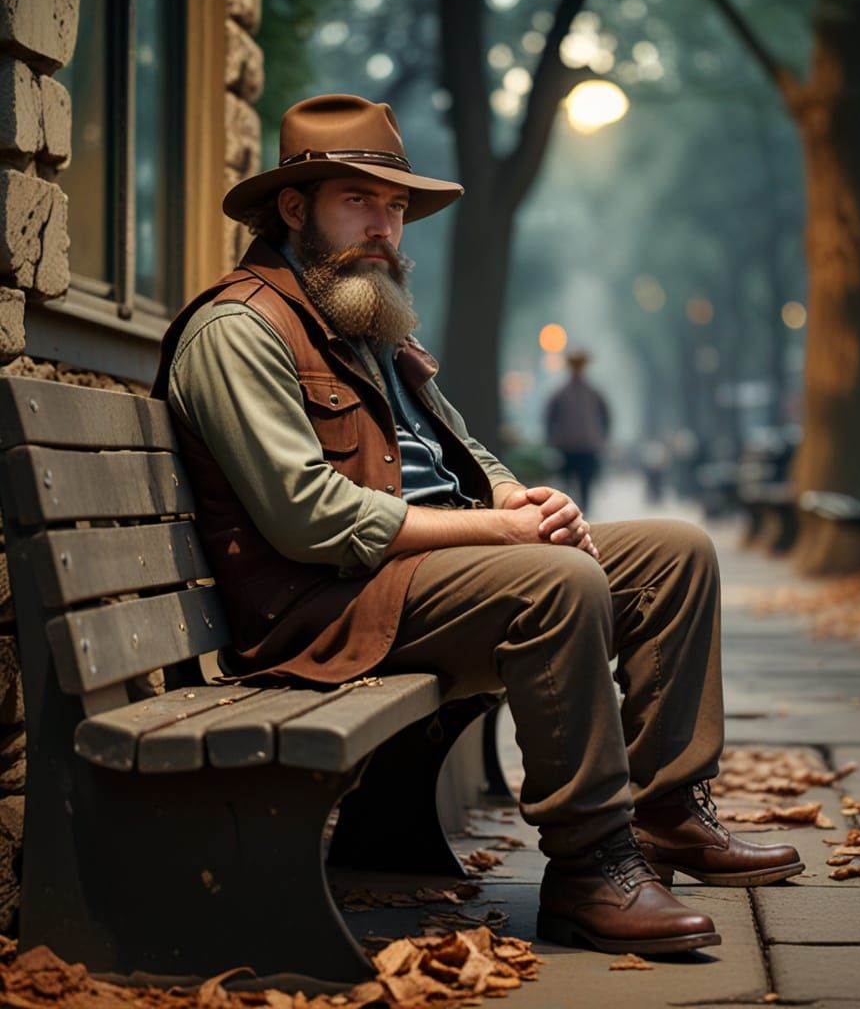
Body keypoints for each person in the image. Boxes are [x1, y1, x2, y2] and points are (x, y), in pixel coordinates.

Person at [153, 94, 802, 957]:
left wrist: (517, 502)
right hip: (325, 609)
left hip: (422, 579)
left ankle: (670, 813)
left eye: (395, 207)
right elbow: (308, 518)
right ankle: (590, 868)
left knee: (675, 553)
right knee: (557, 579)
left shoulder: (365, 323)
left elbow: (465, 453)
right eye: (360, 202)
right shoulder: (238, 329)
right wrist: (501, 539)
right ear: (295, 208)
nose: (384, 226)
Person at [544, 349, 610, 512]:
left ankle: (584, 514)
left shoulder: (593, 393)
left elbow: (606, 417)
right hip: (567, 447)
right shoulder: (561, 393)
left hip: (587, 447)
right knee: (567, 487)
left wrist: (601, 438)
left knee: (585, 485)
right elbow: (549, 419)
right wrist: (553, 440)